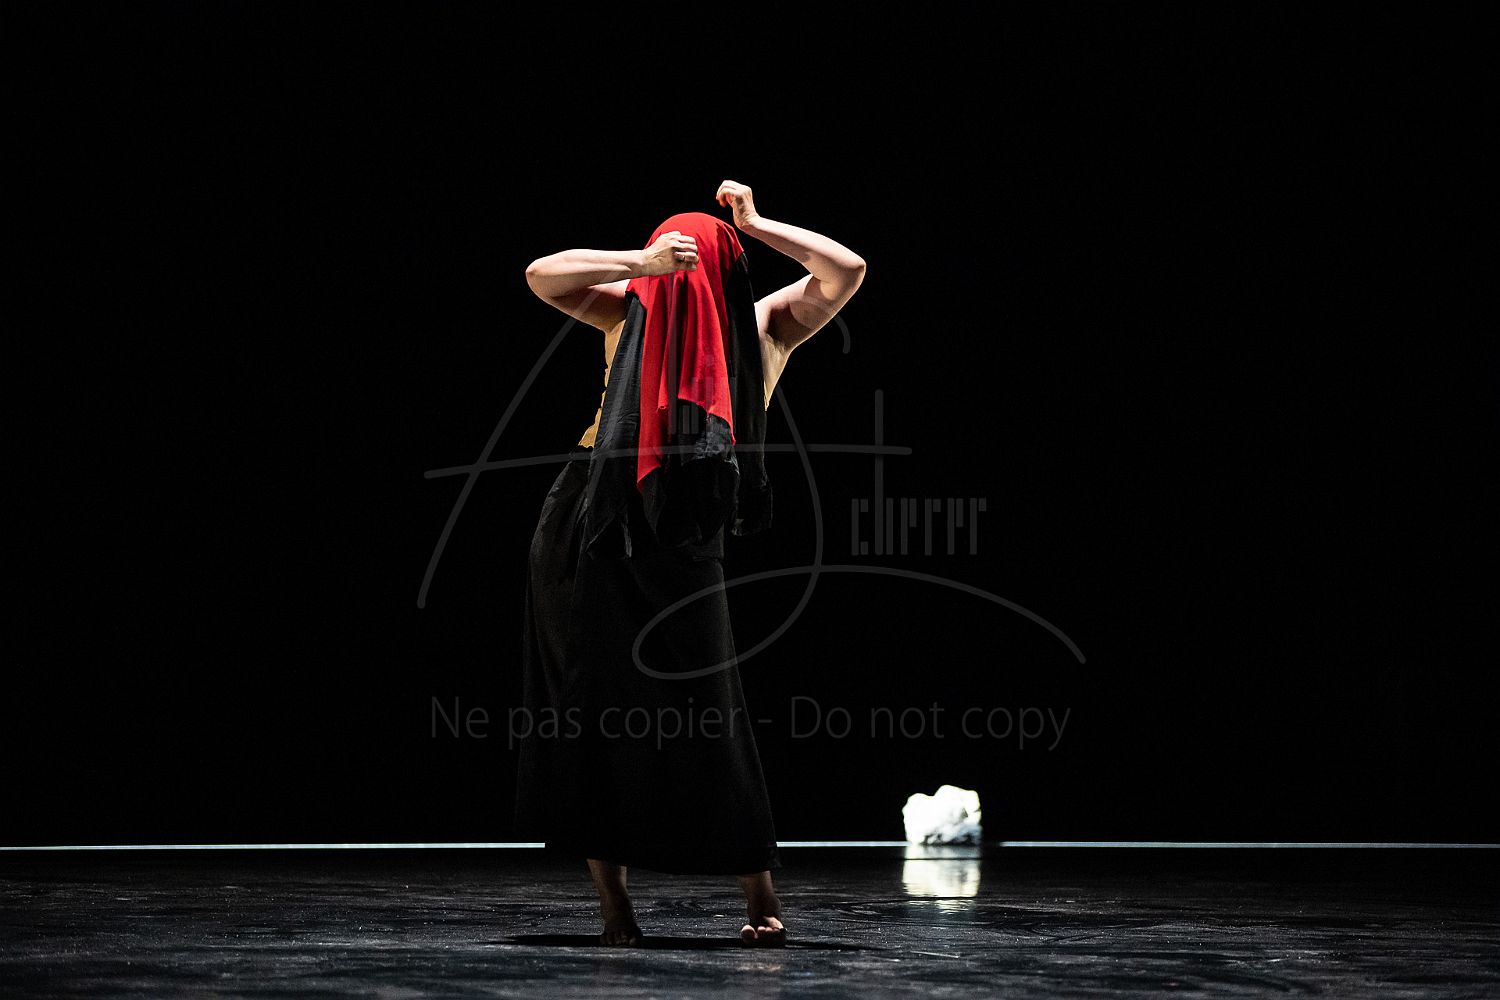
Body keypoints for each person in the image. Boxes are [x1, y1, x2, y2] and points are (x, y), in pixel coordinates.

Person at [517, 180, 865, 947]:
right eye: (674, 257)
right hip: (591, 513)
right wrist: (639, 263)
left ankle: (759, 898)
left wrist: (756, 224)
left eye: (698, 258)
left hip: (682, 525)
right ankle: (615, 910)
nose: (684, 272)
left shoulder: (762, 325)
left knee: (710, 707)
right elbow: (542, 273)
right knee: (595, 710)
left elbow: (846, 270)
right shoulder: (628, 311)